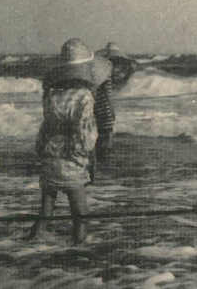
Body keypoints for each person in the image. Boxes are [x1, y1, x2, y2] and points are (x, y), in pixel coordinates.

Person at [28, 38, 100, 244]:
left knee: (46, 210)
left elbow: (46, 126)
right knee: (80, 215)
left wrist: (42, 150)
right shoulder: (84, 96)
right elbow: (85, 134)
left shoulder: (51, 94)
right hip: (71, 158)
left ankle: (30, 244)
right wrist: (89, 158)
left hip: (50, 154)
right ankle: (78, 250)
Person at [91, 42, 137, 166]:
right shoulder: (107, 77)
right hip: (105, 112)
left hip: (96, 110)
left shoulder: (99, 74)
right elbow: (108, 98)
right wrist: (112, 112)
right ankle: (103, 163)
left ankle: (99, 162)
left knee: (99, 138)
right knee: (106, 138)